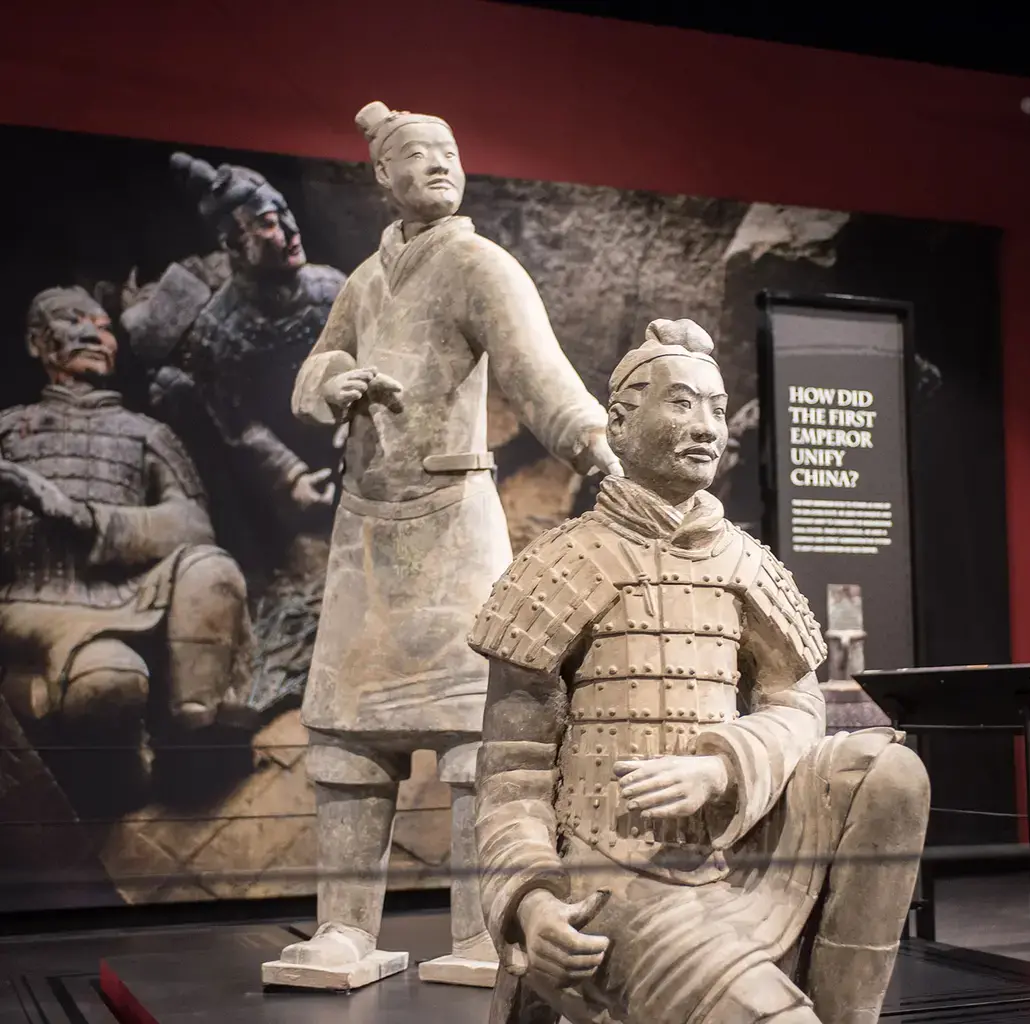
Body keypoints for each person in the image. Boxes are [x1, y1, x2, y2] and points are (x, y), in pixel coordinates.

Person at [470, 319, 931, 1024]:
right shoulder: (559, 565)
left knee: (892, 772)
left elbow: (798, 705)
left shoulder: (745, 561)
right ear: (620, 425)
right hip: (618, 875)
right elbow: (511, 779)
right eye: (682, 403)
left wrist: (724, 766)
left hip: (734, 846)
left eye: (717, 408)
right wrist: (532, 904)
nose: (707, 426)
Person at [273, 101, 621, 984]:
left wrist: (594, 447)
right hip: (367, 537)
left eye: (450, 153)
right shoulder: (361, 280)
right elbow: (313, 367)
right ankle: (347, 928)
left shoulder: (476, 264)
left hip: (455, 522)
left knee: (478, 735)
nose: (439, 166)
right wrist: (333, 382)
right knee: (350, 741)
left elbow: (538, 369)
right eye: (418, 156)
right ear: (382, 178)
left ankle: (479, 929)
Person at [0, 286, 253, 806]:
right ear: (36, 343)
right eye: (73, 321)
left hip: (130, 592)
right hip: (34, 605)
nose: (94, 332)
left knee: (211, 570)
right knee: (109, 685)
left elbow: (192, 524)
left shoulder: (146, 434)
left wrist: (83, 517)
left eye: (103, 323)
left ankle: (195, 739)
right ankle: (118, 784)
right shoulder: (7, 431)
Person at [122, 153, 348, 710]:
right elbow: (236, 421)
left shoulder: (332, 289)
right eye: (269, 223)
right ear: (234, 243)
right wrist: (290, 475)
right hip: (273, 478)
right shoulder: (218, 330)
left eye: (286, 214)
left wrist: (354, 422)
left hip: (347, 442)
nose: (290, 230)